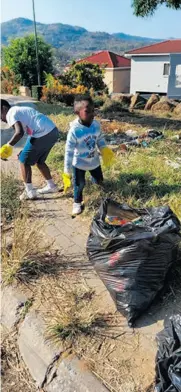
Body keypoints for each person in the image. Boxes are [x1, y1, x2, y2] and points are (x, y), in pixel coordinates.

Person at [63, 95, 114, 216]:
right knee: (79, 185)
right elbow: (69, 151)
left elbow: (99, 139)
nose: (92, 114)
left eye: (93, 110)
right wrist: (67, 171)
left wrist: (104, 149)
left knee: (99, 181)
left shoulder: (96, 125)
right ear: (77, 112)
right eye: (87, 111)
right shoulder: (75, 130)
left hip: (94, 162)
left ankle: (98, 190)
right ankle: (77, 202)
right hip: (79, 164)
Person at [0, 99, 59, 200]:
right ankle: (51, 186)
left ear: (4, 108)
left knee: (23, 160)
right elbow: (30, 136)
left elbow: (19, 132)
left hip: (43, 132)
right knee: (39, 161)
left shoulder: (11, 113)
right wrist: (24, 151)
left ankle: (29, 191)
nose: (1, 119)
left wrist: (9, 145)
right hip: (53, 131)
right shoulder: (19, 111)